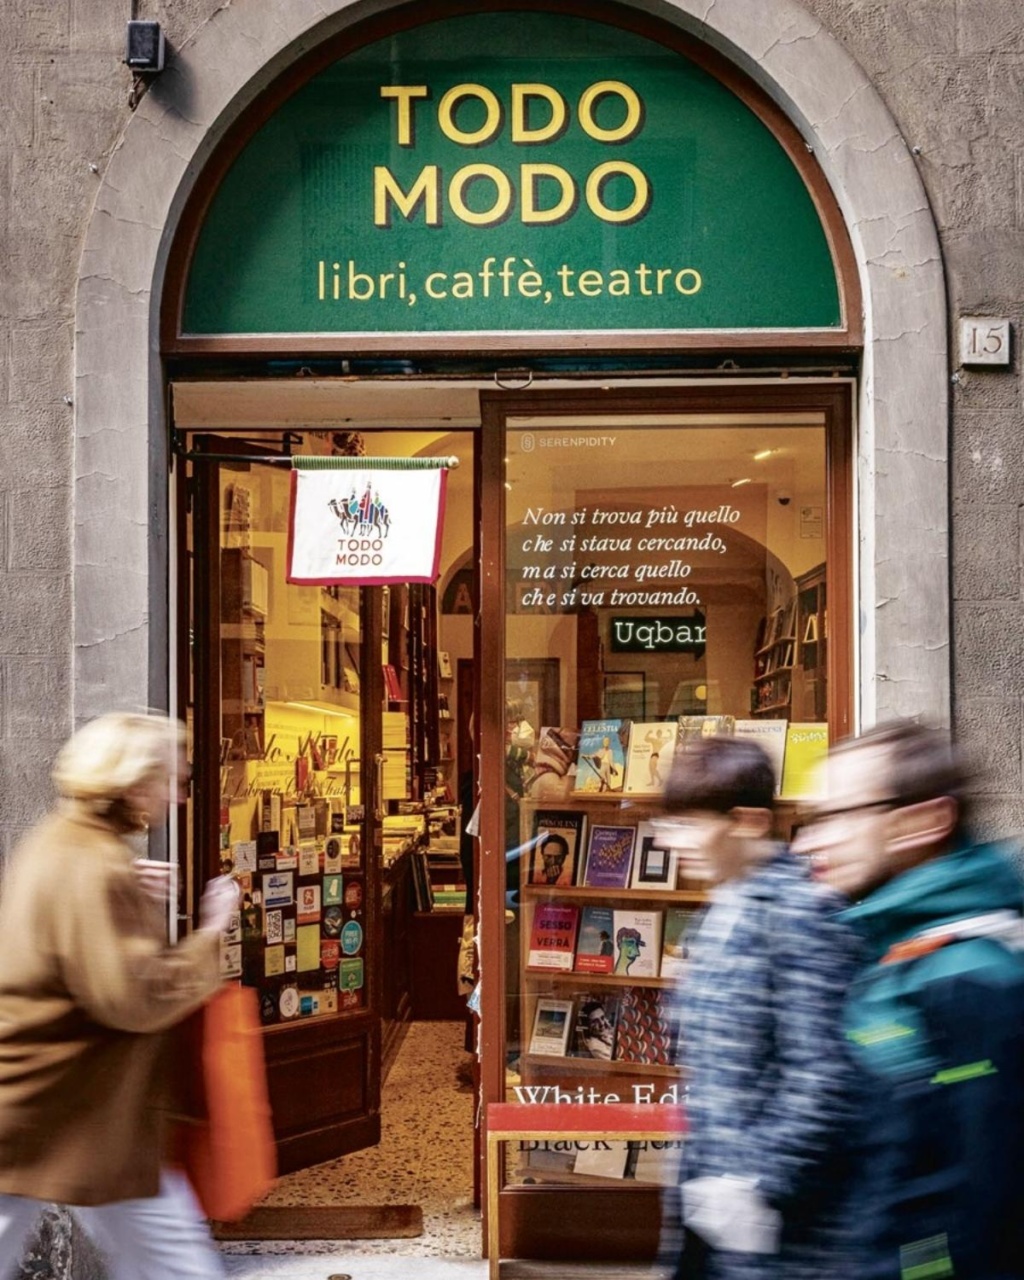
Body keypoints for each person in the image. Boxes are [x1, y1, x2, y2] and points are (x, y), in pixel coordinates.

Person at [0, 712, 238, 1280]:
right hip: (65, 1106)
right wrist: (211, 932)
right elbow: (135, 997)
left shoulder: (70, 844)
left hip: (66, 1107)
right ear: (134, 783)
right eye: (173, 782)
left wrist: (128, 895)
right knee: (179, 1264)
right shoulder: (95, 864)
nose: (179, 798)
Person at [799, 721, 1024, 1280]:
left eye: (840, 815)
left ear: (925, 820)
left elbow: (985, 1208)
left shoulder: (971, 979)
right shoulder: (897, 952)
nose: (809, 841)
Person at [658, 735, 859, 1280]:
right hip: (718, 1217)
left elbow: (824, 1076)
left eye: (691, 824)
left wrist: (758, 1187)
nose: (673, 842)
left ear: (747, 821)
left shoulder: (801, 915)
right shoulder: (723, 903)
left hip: (780, 1235)